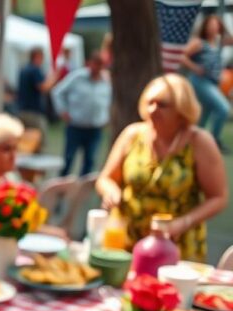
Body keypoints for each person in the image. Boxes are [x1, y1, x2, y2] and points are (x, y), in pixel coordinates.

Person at [96, 74, 228, 261]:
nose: (153, 109)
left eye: (163, 104)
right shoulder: (133, 134)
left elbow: (218, 197)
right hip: (126, 239)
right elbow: (105, 178)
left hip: (176, 244)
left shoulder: (199, 142)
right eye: (150, 102)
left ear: (182, 109)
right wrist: (111, 192)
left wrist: (183, 222)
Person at [51, 51, 112, 177]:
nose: (97, 68)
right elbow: (57, 92)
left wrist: (106, 116)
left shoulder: (106, 81)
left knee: (90, 161)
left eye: (100, 65)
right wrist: (62, 110)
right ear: (89, 63)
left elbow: (109, 100)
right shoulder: (77, 77)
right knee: (68, 159)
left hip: (95, 128)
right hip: (76, 126)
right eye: (95, 64)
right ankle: (61, 188)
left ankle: (81, 193)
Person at [182, 14, 233, 150]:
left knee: (202, 117)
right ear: (205, 26)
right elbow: (182, 54)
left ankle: (191, 144)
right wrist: (194, 67)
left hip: (212, 83)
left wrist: (224, 29)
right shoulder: (199, 42)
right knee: (223, 108)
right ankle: (214, 141)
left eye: (216, 25)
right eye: (211, 24)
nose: (213, 27)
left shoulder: (217, 43)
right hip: (200, 81)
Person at [16, 48, 53, 138]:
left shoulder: (24, 69)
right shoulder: (35, 70)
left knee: (25, 141)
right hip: (34, 112)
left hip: (22, 109)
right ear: (37, 56)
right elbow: (43, 87)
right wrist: (54, 79)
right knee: (40, 140)